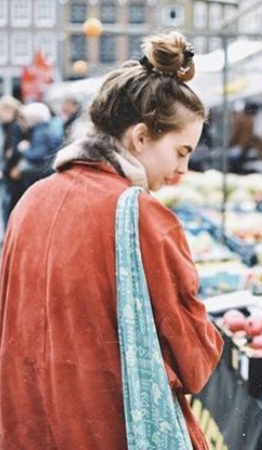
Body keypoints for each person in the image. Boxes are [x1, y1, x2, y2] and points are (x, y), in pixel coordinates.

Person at [0, 31, 223, 450]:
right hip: (108, 430)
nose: (184, 169)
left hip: (28, 427)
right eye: (180, 151)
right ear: (141, 137)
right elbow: (193, 361)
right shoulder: (142, 215)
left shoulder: (32, 199)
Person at [15, 102, 64, 190]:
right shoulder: (47, 127)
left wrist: (24, 149)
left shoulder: (39, 132)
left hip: (44, 170)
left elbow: (38, 155)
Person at [0, 96, 27, 227]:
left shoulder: (14, 127)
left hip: (13, 171)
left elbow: (13, 151)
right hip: (14, 170)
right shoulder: (16, 125)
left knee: (9, 204)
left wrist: (4, 168)